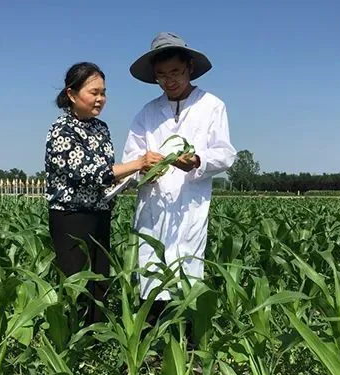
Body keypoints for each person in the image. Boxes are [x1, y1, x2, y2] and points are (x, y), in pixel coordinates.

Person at [121, 33, 237, 327]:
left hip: (190, 206)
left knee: (187, 270)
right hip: (153, 205)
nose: (168, 80)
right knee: (151, 271)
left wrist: (197, 160)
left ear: (189, 67)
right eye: (161, 75)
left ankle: (190, 346)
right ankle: (149, 347)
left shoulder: (211, 106)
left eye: (175, 72)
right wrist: (144, 167)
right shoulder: (147, 113)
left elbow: (225, 154)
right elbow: (131, 160)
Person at [45, 62, 159, 326]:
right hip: (71, 216)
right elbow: (87, 172)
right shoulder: (61, 130)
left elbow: (109, 172)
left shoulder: (101, 128)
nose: (100, 99)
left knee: (99, 278)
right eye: (93, 92)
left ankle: (95, 336)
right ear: (72, 95)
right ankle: (72, 337)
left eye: (103, 93)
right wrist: (138, 163)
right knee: (76, 279)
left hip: (100, 211)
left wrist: (138, 175)